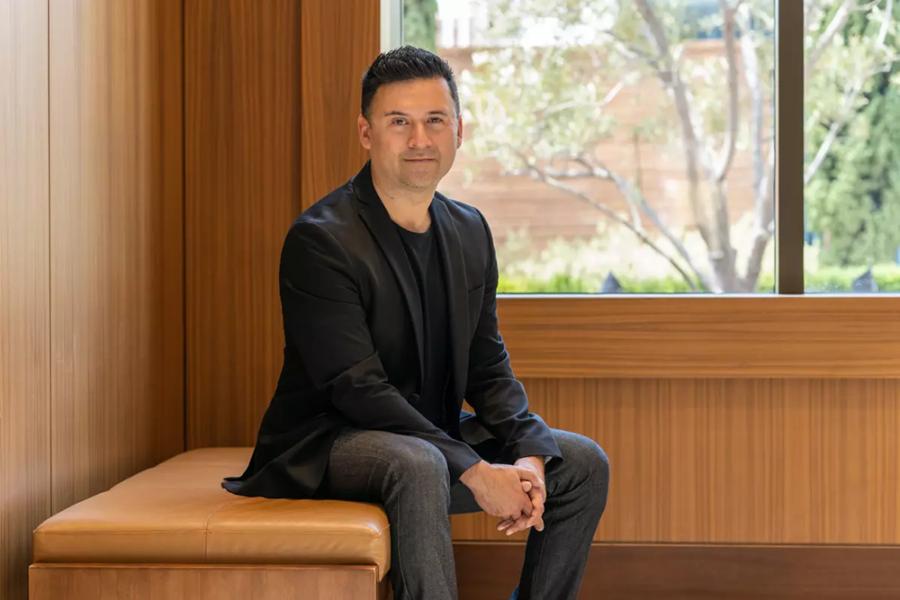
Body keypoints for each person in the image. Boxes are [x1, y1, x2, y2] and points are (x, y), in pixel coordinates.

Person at [223, 45, 609, 600]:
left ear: (459, 130)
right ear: (366, 133)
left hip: (428, 441)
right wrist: (474, 470)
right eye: (399, 122)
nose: (420, 140)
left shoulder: (470, 229)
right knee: (421, 462)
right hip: (329, 444)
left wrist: (527, 451)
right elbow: (356, 389)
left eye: (434, 121)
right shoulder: (321, 239)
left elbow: (486, 364)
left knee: (579, 461)